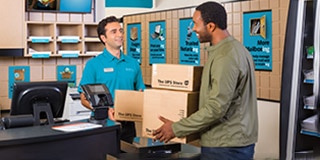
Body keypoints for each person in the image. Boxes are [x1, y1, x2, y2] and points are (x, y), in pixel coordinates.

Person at [152, 1, 258, 160]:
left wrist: (176, 128)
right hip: (230, 143)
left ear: (211, 26)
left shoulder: (225, 57)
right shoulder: (233, 49)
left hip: (226, 146)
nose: (193, 28)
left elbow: (216, 108)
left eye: (195, 23)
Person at [78, 16, 146, 144]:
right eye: (114, 32)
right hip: (102, 122)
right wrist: (104, 110)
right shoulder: (93, 65)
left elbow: (141, 91)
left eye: (121, 31)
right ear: (103, 38)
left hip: (128, 124)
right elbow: (84, 98)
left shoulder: (133, 63)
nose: (119, 34)